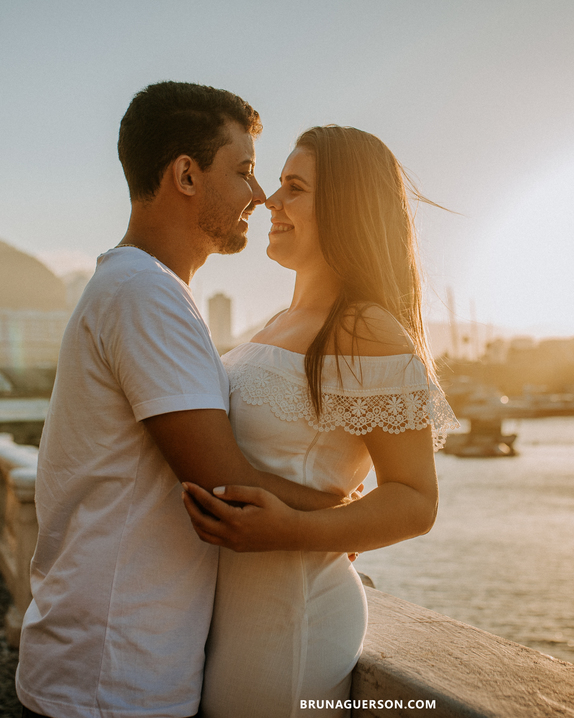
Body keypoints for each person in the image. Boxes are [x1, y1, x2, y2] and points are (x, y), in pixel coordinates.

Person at [15, 83, 350, 718]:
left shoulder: (141, 286)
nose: (259, 194)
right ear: (187, 175)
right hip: (112, 680)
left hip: (109, 668)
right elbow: (222, 484)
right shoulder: (145, 292)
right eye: (245, 170)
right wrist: (334, 508)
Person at [181, 126, 458, 717]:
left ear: (348, 209)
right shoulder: (276, 323)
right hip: (229, 608)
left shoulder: (367, 330)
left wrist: (296, 530)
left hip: (292, 612)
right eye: (278, 185)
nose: (269, 202)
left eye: (294, 188)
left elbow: (415, 499)